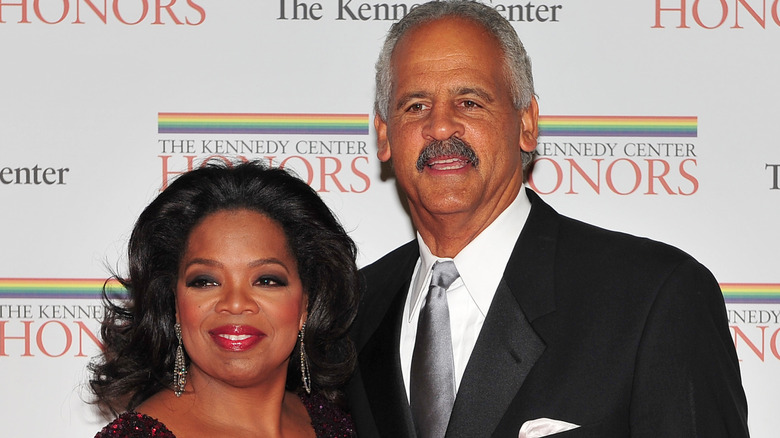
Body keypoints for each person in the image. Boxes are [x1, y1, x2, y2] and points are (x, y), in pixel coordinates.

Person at [345, 1, 750, 437]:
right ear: (384, 135)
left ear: (527, 123)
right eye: (416, 106)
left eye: (469, 101)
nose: (441, 127)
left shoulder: (655, 297)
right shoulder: (349, 315)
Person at [89, 161, 359, 437]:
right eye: (205, 281)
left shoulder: (343, 425)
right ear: (175, 305)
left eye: (266, 280)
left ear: (306, 304)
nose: (235, 303)